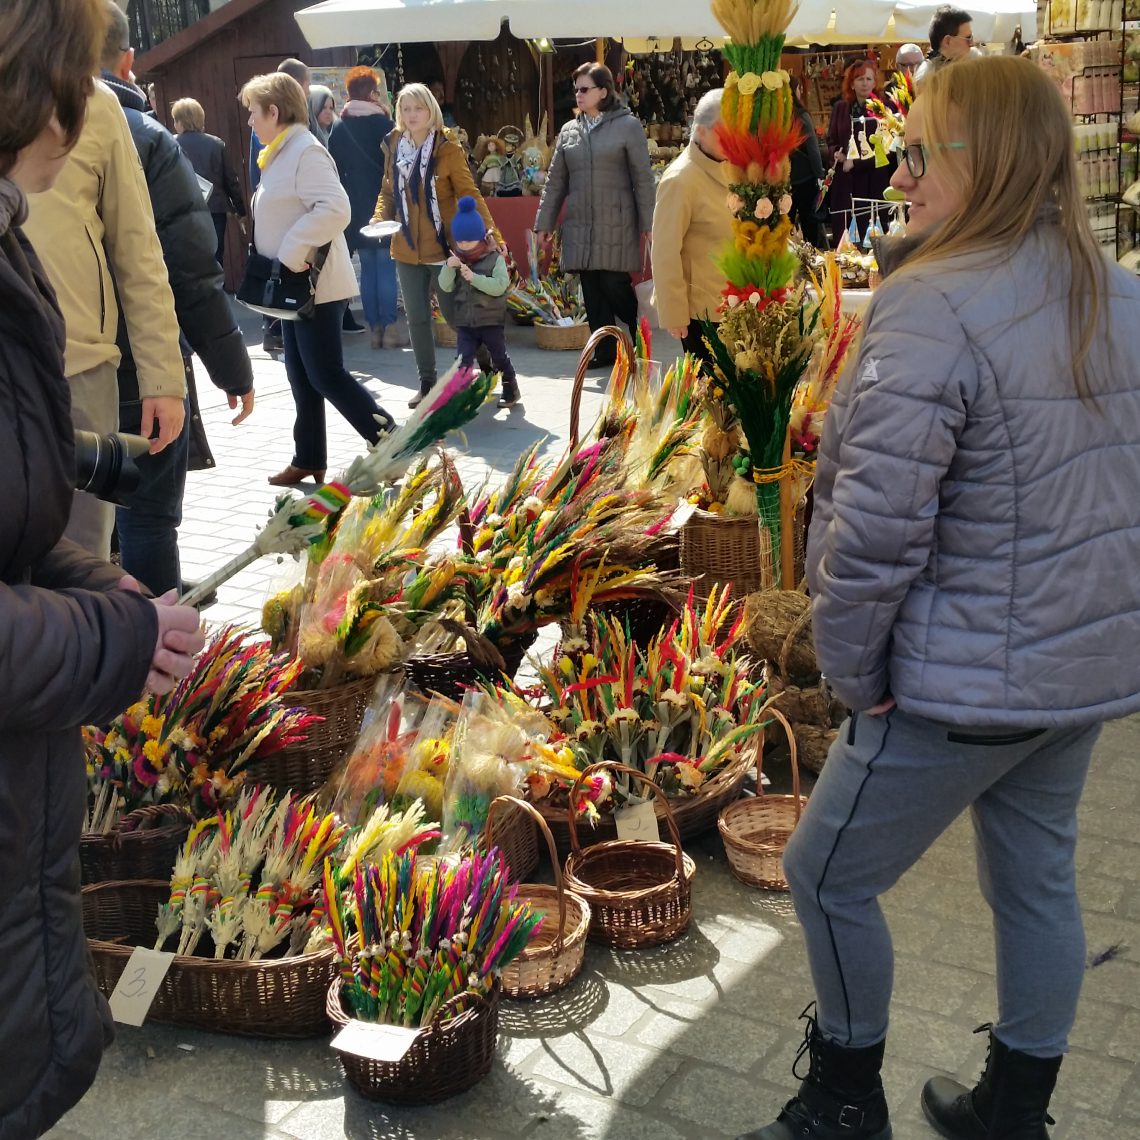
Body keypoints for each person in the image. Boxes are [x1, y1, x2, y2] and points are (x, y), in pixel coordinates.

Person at [740, 56, 1140, 1140]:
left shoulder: (931, 305)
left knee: (825, 874)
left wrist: (853, 672)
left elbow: (873, 529)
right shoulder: (1120, 294)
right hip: (1076, 676)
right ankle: (1015, 1112)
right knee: (1037, 879)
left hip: (954, 682)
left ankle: (842, 1104)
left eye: (919, 153)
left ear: (992, 159)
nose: (899, 175)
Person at [0, 2, 206, 1134]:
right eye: (74, 82)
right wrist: (113, 636)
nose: (84, 112)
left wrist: (91, 584)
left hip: (75, 382)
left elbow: (146, 252)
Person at [100, 0, 255, 596]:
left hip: (52, 362)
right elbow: (189, 269)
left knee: (81, 521)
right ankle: (155, 643)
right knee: (147, 516)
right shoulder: (144, 136)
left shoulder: (28, 125)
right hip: (139, 363)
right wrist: (232, 367)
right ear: (128, 61)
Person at [23, 78, 186, 562]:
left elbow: (137, 246)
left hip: (79, 370)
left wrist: (162, 377)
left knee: (82, 556)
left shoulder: (93, 100)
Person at [240, 72, 395, 487]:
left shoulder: (304, 151)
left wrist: (291, 252)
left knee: (325, 374)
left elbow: (336, 208)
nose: (250, 121)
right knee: (301, 374)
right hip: (297, 286)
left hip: (316, 284)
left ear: (275, 112)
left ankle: (391, 442)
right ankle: (308, 458)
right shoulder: (283, 150)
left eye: (254, 112)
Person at [374, 82, 497, 408]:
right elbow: (387, 191)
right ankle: (427, 383)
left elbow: (469, 194)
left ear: (431, 111)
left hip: (443, 249)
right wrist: (378, 218)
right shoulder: (394, 144)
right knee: (416, 319)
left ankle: (487, 364)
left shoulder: (447, 147)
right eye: (406, 109)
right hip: (405, 247)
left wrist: (491, 234)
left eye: (419, 108)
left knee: (455, 316)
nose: (412, 115)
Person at [535, 63, 655, 369]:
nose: (578, 94)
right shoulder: (569, 131)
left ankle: (637, 334)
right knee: (591, 288)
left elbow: (643, 178)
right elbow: (555, 182)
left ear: (603, 91)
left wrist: (649, 223)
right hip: (580, 224)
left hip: (616, 221)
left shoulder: (628, 126)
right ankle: (605, 351)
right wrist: (544, 223)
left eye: (584, 89)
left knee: (614, 283)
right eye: (576, 89)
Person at [649, 88, 731, 366]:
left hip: (737, 302)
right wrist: (674, 313)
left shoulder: (729, 167)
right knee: (710, 386)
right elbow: (664, 252)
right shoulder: (680, 179)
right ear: (702, 131)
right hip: (703, 311)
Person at [328, 66, 405, 350]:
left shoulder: (339, 127)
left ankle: (375, 330)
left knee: (369, 267)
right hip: (383, 204)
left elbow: (334, 170)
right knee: (385, 265)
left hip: (355, 208)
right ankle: (390, 329)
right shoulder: (385, 126)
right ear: (372, 93)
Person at [438, 196, 519, 408]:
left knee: (499, 357)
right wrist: (448, 267)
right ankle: (462, 394)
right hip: (466, 322)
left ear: (480, 238)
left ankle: (510, 387)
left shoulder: (494, 259)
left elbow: (500, 286)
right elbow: (446, 286)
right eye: (460, 242)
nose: (463, 246)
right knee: (462, 360)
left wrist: (475, 278)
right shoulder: (458, 259)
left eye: (468, 241)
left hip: (490, 320)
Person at [825, 61, 893, 247]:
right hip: (845, 183)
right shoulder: (840, 108)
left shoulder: (883, 108)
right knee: (845, 238)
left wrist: (855, 163)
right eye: (860, 79)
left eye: (868, 79)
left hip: (872, 181)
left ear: (875, 83)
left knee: (871, 238)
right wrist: (836, 153)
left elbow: (886, 150)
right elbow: (831, 140)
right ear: (852, 83)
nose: (864, 83)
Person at [171, 96, 246, 264]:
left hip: (184, 212)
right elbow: (231, 180)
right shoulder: (216, 144)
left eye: (175, 120)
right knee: (215, 257)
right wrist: (240, 211)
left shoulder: (170, 144)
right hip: (215, 210)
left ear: (181, 122)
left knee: (190, 260)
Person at [789, 76, 827, 249]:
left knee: (786, 223)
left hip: (785, 180)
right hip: (805, 177)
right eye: (798, 88)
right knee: (809, 222)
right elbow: (813, 149)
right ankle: (811, 256)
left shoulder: (777, 116)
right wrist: (820, 174)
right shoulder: (801, 115)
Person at [915, 5, 974, 85]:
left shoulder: (971, 72)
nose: (972, 44)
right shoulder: (928, 82)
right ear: (948, 41)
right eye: (968, 38)